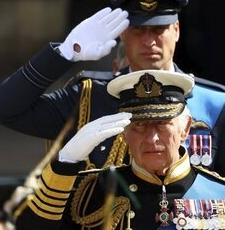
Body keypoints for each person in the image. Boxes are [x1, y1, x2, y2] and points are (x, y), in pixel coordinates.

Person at [0, 0, 225, 175]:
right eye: (138, 30)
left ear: (176, 30)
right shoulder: (89, 97)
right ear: (121, 33)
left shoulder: (213, 103)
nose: (149, 41)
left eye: (158, 30)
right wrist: (65, 54)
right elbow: (4, 109)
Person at [15, 70, 225, 230]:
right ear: (124, 132)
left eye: (162, 123)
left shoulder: (219, 193)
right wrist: (66, 163)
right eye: (139, 125)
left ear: (186, 128)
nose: (151, 138)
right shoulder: (88, 192)